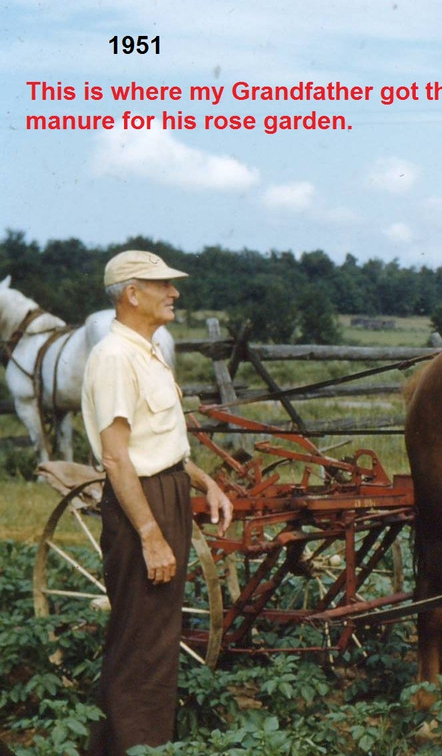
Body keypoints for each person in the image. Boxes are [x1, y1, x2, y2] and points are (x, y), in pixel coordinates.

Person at [82, 250, 233, 756]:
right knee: (142, 642)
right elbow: (117, 457)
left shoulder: (147, 352)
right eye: (162, 285)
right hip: (140, 505)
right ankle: (135, 747)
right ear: (132, 294)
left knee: (156, 636)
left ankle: (122, 746)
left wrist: (202, 479)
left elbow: (156, 443)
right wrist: (150, 536)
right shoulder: (114, 358)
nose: (175, 293)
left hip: (164, 490)